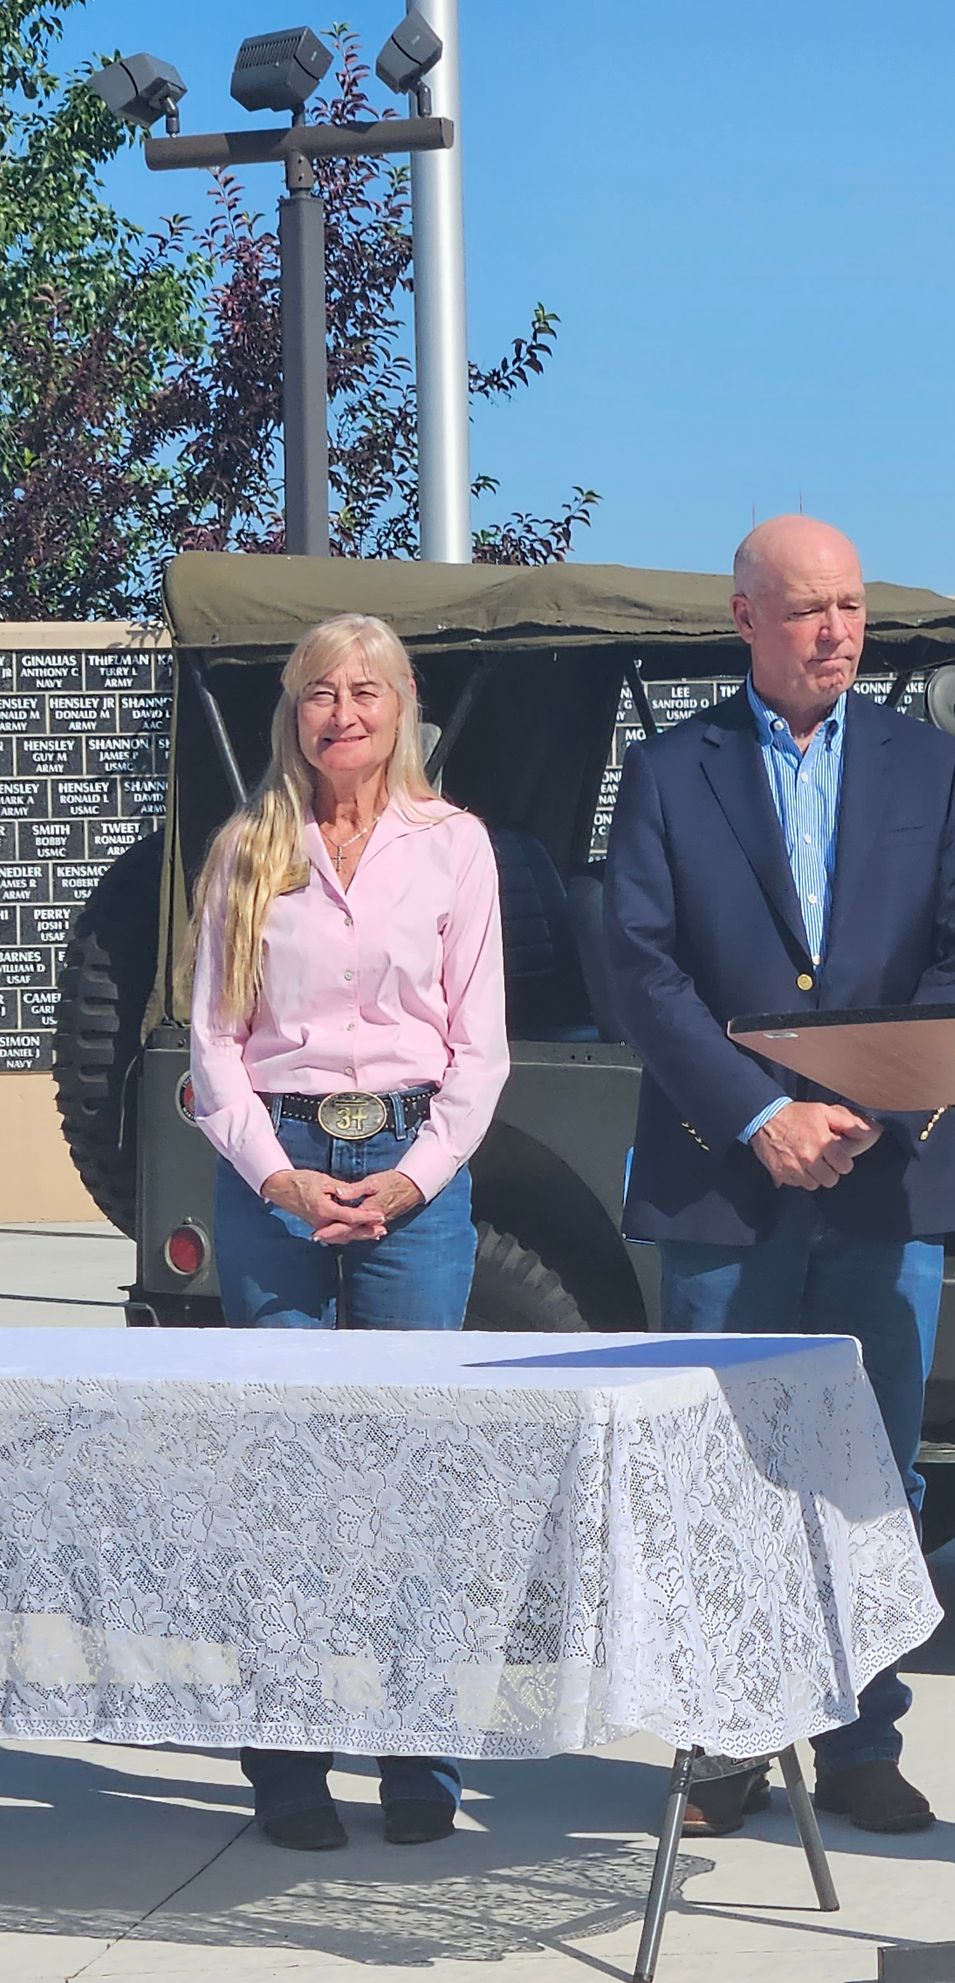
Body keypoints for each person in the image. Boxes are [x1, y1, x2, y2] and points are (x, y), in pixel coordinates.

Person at [604, 515, 955, 1835]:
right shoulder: (670, 772)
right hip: (727, 1183)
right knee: (720, 1468)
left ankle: (861, 1738)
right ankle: (723, 1740)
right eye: (807, 609)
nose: (837, 631)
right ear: (745, 621)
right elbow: (642, 973)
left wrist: (865, 1114)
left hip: (885, 1184)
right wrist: (762, 1113)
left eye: (850, 607)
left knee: (873, 1468)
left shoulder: (931, 771)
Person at [189, 613, 509, 1853]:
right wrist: (276, 1178)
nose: (341, 712)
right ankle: (285, 1764)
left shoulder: (454, 847)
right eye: (319, 692)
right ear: (293, 711)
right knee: (285, 1474)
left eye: (365, 691)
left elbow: (479, 1047)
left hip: (409, 1171)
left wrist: (417, 1179)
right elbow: (213, 1044)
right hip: (277, 1167)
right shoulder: (246, 848)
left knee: (413, 1467)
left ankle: (419, 1757)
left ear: (403, 705)